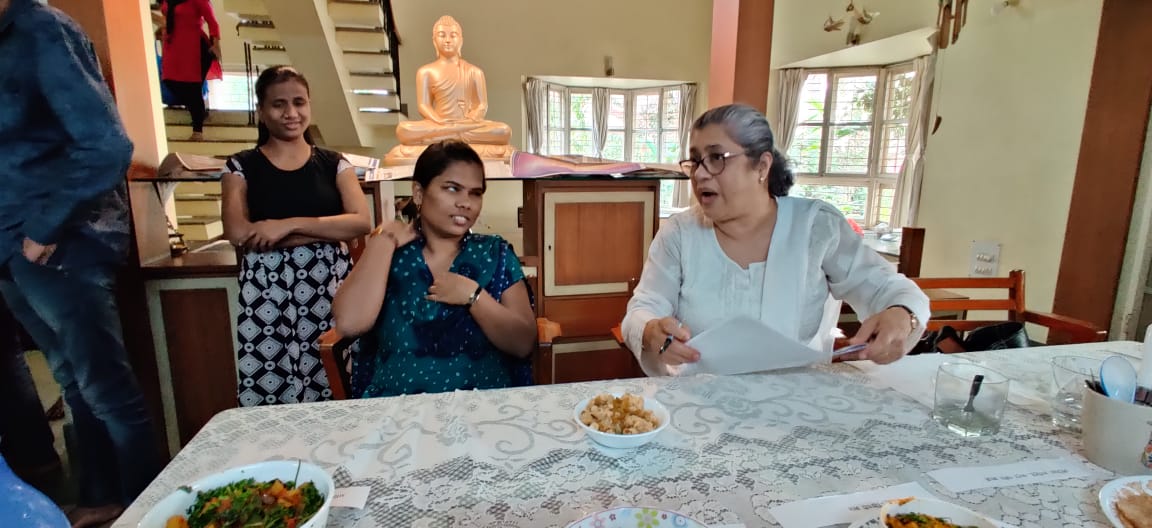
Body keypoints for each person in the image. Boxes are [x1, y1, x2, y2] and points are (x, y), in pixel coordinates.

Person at [0, 0, 163, 526]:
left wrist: (43, 229)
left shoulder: (42, 29)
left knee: (107, 390)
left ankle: (147, 510)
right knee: (72, 383)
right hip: (12, 245)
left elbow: (107, 145)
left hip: (58, 243)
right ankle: (101, 497)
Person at [621, 104, 930, 377]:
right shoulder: (679, 233)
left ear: (762, 166)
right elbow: (644, 307)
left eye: (716, 158)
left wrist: (903, 315)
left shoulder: (815, 227)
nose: (700, 174)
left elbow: (891, 289)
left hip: (797, 402)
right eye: (695, 161)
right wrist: (650, 331)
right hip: (698, 402)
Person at [333, 140, 538, 398]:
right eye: (452, 188)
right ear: (419, 193)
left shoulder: (494, 254)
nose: (466, 203)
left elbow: (523, 343)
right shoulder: (390, 253)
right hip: (398, 407)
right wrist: (382, 243)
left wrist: (474, 296)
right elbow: (349, 324)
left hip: (482, 405)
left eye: (475, 193)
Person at [221, 66, 372, 407]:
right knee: (271, 382)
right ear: (261, 110)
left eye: (299, 102)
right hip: (267, 288)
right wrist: (324, 231)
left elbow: (360, 222)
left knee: (338, 376)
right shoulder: (240, 166)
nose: (291, 113)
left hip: (329, 284)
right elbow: (238, 231)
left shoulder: (335, 163)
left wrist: (285, 226)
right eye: (279, 104)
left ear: (309, 105)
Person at [385, 15, 513, 164]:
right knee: (404, 129)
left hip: (466, 124)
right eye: (442, 35)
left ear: (461, 40)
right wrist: (440, 121)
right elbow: (423, 105)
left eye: (453, 35)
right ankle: (453, 134)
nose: (447, 40)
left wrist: (470, 119)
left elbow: (482, 104)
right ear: (434, 41)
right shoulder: (426, 72)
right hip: (439, 124)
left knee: (503, 130)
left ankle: (449, 135)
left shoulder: (474, 71)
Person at [158, 0, 221, 141]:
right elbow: (167, 17)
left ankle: (197, 130)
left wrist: (216, 44)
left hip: (194, 46)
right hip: (173, 45)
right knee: (169, 80)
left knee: (192, 87)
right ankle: (197, 109)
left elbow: (212, 22)